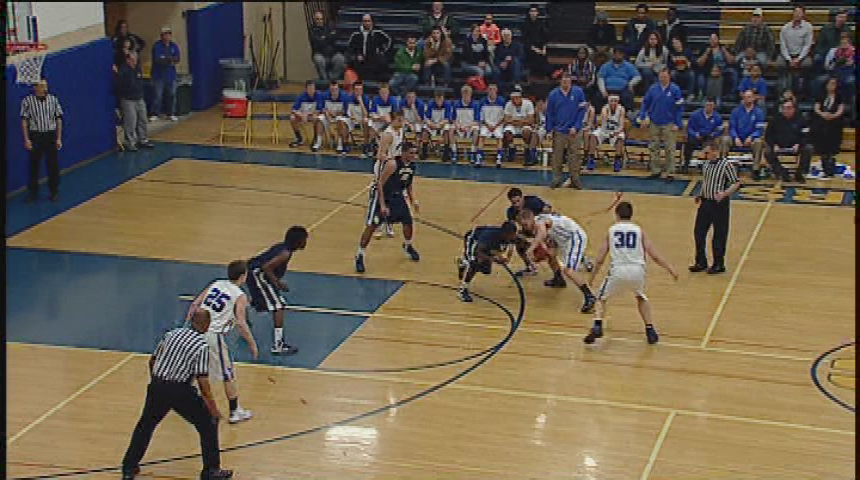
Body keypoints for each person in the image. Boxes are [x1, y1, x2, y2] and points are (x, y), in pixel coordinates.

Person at [121, 309, 233, 480]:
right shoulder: (201, 346)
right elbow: (203, 382)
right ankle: (211, 471)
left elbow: (152, 360)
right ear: (206, 325)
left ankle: (129, 468)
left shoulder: (171, 334)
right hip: (180, 390)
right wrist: (213, 408)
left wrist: (157, 383)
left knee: (145, 425)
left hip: (158, 386)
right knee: (208, 424)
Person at [585, 201, 678, 345]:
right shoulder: (639, 230)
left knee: (600, 298)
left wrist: (592, 277)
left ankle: (597, 324)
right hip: (637, 270)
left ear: (616, 214)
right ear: (631, 214)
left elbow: (600, 259)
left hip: (618, 270)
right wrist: (670, 269)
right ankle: (650, 329)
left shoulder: (612, 230)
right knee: (640, 297)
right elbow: (654, 256)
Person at [184, 260, 256, 425]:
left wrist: (186, 325)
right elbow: (241, 322)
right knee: (227, 373)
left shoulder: (217, 283)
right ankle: (235, 411)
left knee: (192, 367)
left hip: (195, 329)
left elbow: (195, 303)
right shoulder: (240, 295)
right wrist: (252, 343)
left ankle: (180, 399)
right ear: (243, 276)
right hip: (212, 334)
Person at [356, 132, 421, 273]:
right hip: (382, 196)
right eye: (411, 153)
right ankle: (360, 255)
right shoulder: (392, 164)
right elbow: (379, 183)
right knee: (372, 226)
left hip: (398, 197)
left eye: (415, 153)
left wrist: (413, 200)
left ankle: (408, 245)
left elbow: (409, 184)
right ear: (403, 153)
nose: (414, 156)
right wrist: (383, 205)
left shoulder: (412, 166)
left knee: (408, 221)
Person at [245, 226, 309, 355]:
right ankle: (278, 345)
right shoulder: (285, 253)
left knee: (262, 302)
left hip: (254, 272)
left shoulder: (282, 247)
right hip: (259, 274)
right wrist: (278, 283)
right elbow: (266, 267)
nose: (305, 242)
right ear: (298, 241)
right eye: (304, 240)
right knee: (278, 306)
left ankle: (241, 314)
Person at [519, 209, 596, 313]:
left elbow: (542, 233)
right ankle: (558, 279)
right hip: (562, 240)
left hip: (574, 236)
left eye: (526, 224)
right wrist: (542, 255)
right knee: (551, 256)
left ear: (532, 219)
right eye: (522, 225)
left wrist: (531, 249)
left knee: (569, 270)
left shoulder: (541, 221)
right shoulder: (535, 227)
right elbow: (548, 245)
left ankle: (590, 296)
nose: (525, 227)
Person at [690, 137, 741, 274]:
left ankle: (719, 263)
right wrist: (700, 194)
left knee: (719, 234)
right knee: (698, 232)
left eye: (707, 153)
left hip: (719, 204)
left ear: (715, 151)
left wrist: (725, 194)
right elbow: (706, 181)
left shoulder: (726, 165)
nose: (704, 156)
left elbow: (736, 183)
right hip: (706, 202)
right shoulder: (706, 165)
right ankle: (701, 261)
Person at [20, 79, 63, 203]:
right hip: (36, 135)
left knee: (52, 165)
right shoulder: (27, 101)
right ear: (35, 87)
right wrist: (27, 139)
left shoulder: (53, 99)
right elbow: (24, 121)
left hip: (50, 134)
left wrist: (59, 138)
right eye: (42, 86)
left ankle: (54, 191)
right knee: (34, 165)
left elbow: (59, 119)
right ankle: (33, 192)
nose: (45, 88)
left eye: (46, 86)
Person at [638, 68, 683, 182]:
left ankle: (670, 173)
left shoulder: (675, 89)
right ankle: (656, 171)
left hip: (669, 123)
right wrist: (642, 116)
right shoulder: (653, 89)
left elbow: (679, 108)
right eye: (661, 76)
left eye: (665, 76)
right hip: (654, 122)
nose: (663, 78)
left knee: (670, 149)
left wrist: (677, 123)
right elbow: (645, 103)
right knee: (654, 147)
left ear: (669, 77)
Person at [456, 221, 519, 302]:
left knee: (486, 270)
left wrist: (505, 258)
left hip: (485, 246)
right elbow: (478, 252)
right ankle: (462, 289)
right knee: (475, 262)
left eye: (513, 235)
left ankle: (463, 262)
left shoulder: (510, 236)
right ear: (505, 233)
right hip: (474, 240)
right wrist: (494, 259)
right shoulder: (489, 236)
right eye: (510, 236)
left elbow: (501, 248)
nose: (512, 237)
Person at [545, 72, 587, 189]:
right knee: (557, 155)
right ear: (560, 81)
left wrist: (576, 126)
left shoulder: (578, 92)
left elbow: (582, 111)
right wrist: (549, 130)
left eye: (568, 80)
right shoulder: (553, 95)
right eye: (564, 80)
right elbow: (549, 113)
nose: (566, 82)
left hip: (574, 130)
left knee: (574, 155)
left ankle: (575, 179)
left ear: (571, 81)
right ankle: (556, 178)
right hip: (559, 130)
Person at [506, 188, 552, 277]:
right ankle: (530, 267)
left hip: (543, 227)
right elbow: (513, 229)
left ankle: (582, 259)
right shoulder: (510, 212)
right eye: (514, 203)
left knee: (555, 244)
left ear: (523, 197)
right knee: (519, 242)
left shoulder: (533, 202)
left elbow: (548, 209)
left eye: (518, 201)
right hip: (529, 230)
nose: (517, 204)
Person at [763, 100, 812, 183]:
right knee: (767, 151)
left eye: (788, 108)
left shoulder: (802, 119)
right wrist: (774, 144)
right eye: (784, 108)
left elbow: (806, 136)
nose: (786, 110)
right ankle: (782, 172)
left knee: (808, 148)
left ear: (794, 109)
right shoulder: (774, 119)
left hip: (795, 146)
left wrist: (799, 144)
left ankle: (800, 173)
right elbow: (768, 136)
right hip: (779, 146)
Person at [722, 90, 765, 179]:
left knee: (758, 141)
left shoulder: (759, 112)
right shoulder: (735, 111)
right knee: (725, 139)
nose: (747, 99)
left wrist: (751, 137)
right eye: (745, 97)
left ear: (753, 98)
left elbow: (759, 129)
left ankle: (755, 169)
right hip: (737, 138)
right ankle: (723, 168)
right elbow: (732, 127)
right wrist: (735, 137)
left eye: (749, 97)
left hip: (751, 140)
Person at [116, 53, 154, 152]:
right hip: (128, 99)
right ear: (128, 60)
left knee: (142, 119)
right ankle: (130, 142)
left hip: (139, 97)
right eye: (132, 59)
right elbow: (119, 85)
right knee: (131, 121)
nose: (135, 61)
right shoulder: (123, 71)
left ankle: (143, 139)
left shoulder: (137, 68)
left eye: (136, 59)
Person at [810, 76, 845, 178]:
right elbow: (816, 108)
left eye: (834, 84)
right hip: (822, 119)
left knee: (834, 127)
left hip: (834, 121)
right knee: (819, 125)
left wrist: (833, 116)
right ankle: (823, 156)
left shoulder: (839, 96)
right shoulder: (821, 95)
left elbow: (840, 109)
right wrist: (823, 114)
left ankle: (831, 161)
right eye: (830, 83)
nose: (832, 86)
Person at [776, 5, 813, 95]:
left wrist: (798, 59)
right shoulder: (785, 28)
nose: (797, 14)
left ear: (803, 14)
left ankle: (802, 88)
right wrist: (789, 59)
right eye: (795, 12)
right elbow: (783, 46)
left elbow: (807, 45)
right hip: (787, 54)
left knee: (807, 64)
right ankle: (782, 89)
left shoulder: (808, 27)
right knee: (780, 63)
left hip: (801, 55)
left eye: (799, 12)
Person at [347, 14, 393, 83]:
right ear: (362, 22)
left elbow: (390, 40)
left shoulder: (378, 31)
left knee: (382, 62)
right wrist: (357, 55)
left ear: (372, 22)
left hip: (374, 58)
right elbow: (350, 47)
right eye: (365, 21)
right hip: (361, 59)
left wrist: (382, 51)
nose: (367, 23)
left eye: (368, 21)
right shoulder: (355, 33)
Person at [682, 97, 723, 173]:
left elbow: (720, 130)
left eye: (711, 105)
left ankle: (706, 167)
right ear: (704, 105)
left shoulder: (717, 117)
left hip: (709, 137)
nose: (709, 107)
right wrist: (695, 134)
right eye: (707, 105)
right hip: (696, 136)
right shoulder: (695, 114)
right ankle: (686, 164)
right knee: (689, 143)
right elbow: (690, 128)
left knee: (709, 146)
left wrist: (713, 134)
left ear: (714, 106)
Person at [587, 94, 627, 171]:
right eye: (611, 101)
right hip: (604, 130)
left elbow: (622, 126)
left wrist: (615, 133)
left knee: (620, 137)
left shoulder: (621, 109)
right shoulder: (605, 108)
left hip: (616, 130)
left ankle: (617, 160)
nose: (613, 103)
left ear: (618, 102)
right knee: (593, 135)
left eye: (615, 101)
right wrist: (605, 114)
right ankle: (591, 158)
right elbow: (604, 120)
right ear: (608, 102)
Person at [150, 26, 181, 121]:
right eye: (165, 34)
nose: (167, 36)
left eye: (168, 34)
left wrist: (167, 59)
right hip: (158, 75)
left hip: (170, 75)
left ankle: (171, 113)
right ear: (161, 35)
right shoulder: (157, 46)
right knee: (157, 96)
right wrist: (169, 59)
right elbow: (158, 60)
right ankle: (155, 113)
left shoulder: (174, 46)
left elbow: (177, 58)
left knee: (172, 95)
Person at [502, 85, 537, 166]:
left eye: (516, 98)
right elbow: (506, 119)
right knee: (507, 132)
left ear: (520, 97)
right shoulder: (508, 104)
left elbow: (531, 120)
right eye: (512, 99)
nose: (514, 100)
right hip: (513, 125)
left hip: (524, 125)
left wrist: (518, 121)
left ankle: (527, 149)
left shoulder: (528, 103)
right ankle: (511, 148)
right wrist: (520, 121)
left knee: (527, 131)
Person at [696, 33, 737, 101]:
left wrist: (725, 51)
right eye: (711, 39)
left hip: (723, 70)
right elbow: (699, 63)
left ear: (718, 40)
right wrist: (706, 53)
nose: (712, 41)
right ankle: (702, 95)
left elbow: (731, 61)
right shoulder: (705, 49)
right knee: (700, 77)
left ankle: (732, 95)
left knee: (733, 72)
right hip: (709, 70)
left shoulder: (724, 48)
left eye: (714, 39)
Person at [309, 10, 346, 82]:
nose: (320, 21)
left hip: (332, 54)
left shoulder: (329, 26)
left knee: (340, 58)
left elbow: (336, 36)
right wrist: (328, 37)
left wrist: (324, 38)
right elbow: (318, 42)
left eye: (321, 19)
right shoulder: (312, 30)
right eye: (317, 19)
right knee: (319, 60)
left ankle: (332, 78)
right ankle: (325, 80)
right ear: (314, 20)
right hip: (319, 54)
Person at [476, 82, 507, 166]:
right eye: (490, 90)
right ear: (487, 91)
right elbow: (481, 116)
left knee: (499, 136)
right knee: (482, 135)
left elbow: (504, 116)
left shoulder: (502, 101)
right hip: (486, 124)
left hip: (498, 124)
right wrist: (488, 125)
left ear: (496, 91)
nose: (492, 91)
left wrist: (496, 125)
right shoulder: (482, 101)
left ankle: (499, 157)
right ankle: (479, 156)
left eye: (493, 90)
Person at [449, 84, 481, 164]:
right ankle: (454, 152)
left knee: (476, 130)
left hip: (470, 126)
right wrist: (458, 126)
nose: (466, 96)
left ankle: (473, 153)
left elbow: (477, 120)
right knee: (451, 129)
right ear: (462, 94)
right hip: (459, 125)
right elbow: (453, 119)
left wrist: (467, 127)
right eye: (464, 93)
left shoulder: (475, 104)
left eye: (468, 94)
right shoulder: (456, 104)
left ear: (471, 94)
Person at [314, 80, 348, 153]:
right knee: (320, 119)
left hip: (339, 116)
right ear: (329, 89)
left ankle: (339, 143)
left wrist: (336, 113)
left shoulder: (344, 96)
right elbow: (321, 108)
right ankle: (318, 142)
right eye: (332, 89)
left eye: (335, 89)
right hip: (327, 115)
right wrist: (327, 114)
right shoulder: (324, 95)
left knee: (340, 120)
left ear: (338, 89)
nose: (334, 91)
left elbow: (346, 111)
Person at [340, 81, 372, 156]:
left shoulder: (366, 99)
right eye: (356, 89)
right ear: (353, 90)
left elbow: (366, 114)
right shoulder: (349, 98)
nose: (358, 91)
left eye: (360, 89)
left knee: (366, 121)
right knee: (341, 121)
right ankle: (345, 144)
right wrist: (351, 116)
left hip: (362, 119)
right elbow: (347, 112)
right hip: (352, 119)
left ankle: (366, 145)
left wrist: (360, 101)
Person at [289, 80, 324, 150]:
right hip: (303, 116)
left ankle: (316, 138)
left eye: (313, 88)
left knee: (316, 118)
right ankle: (299, 138)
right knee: (292, 118)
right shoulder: (301, 96)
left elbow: (318, 110)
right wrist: (301, 115)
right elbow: (294, 109)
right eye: (310, 88)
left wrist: (307, 114)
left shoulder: (319, 95)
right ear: (306, 89)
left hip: (313, 115)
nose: (311, 90)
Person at [522, 5, 552, 78]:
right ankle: (546, 73)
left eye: (535, 11)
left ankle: (549, 73)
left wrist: (544, 48)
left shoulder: (541, 23)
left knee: (543, 55)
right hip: (530, 47)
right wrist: (535, 49)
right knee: (538, 56)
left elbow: (545, 37)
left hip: (540, 45)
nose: (533, 13)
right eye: (531, 11)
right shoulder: (525, 24)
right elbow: (525, 40)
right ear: (529, 13)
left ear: (537, 13)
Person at [367, 83, 400, 148]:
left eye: (385, 92)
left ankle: (383, 146)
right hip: (379, 121)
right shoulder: (375, 99)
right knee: (370, 124)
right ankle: (371, 145)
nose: (384, 94)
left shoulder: (393, 100)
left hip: (390, 122)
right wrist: (379, 118)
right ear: (379, 92)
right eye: (382, 92)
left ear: (388, 92)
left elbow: (395, 116)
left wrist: (388, 120)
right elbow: (372, 115)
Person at [423, 89, 452, 161]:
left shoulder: (447, 104)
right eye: (437, 98)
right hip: (433, 124)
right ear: (435, 98)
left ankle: (446, 152)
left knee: (447, 129)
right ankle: (424, 151)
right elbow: (427, 118)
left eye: (440, 98)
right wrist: (431, 124)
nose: (439, 100)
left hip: (442, 124)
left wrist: (439, 124)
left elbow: (447, 119)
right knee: (425, 130)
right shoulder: (430, 104)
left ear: (443, 98)